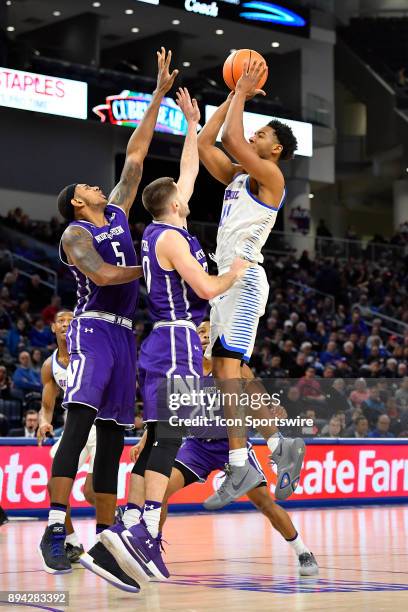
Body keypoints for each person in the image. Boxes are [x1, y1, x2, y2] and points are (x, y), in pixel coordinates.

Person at [87, 87, 250, 587]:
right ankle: (142, 526)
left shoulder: (162, 230)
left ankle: (132, 525)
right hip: (176, 341)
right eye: (182, 192)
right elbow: (204, 286)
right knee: (170, 435)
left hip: (166, 339)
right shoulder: (174, 237)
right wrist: (235, 273)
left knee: (157, 433)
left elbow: (189, 171)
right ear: (175, 205)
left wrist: (190, 123)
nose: (188, 190)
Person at [38, 48, 178, 589]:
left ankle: (104, 540)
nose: (98, 186)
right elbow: (100, 275)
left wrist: (159, 94)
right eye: (86, 187)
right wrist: (148, 265)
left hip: (126, 338)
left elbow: (137, 156)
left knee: (116, 442)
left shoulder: (118, 211)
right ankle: (54, 529)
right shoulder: (76, 234)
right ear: (77, 202)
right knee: (79, 427)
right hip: (94, 328)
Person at [130, 320, 318, 577]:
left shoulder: (234, 366)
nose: (205, 335)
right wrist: (144, 440)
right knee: (159, 490)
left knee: (265, 504)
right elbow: (166, 413)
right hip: (197, 446)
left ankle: (302, 551)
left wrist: (271, 409)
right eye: (200, 332)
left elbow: (257, 394)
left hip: (233, 445)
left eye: (209, 331)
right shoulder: (185, 370)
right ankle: (152, 551)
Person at [197, 59, 304, 507]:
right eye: (256, 132)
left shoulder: (272, 179)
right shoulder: (240, 177)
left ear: (275, 151)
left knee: (226, 371)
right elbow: (208, 140)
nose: (255, 137)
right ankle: (282, 442)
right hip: (225, 285)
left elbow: (231, 139)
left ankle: (241, 463)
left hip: (246, 281)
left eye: (263, 135)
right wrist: (230, 96)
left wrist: (241, 92)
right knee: (236, 371)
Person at [37, 310, 96, 564]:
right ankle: (71, 542)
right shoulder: (50, 365)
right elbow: (47, 405)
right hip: (74, 430)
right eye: (61, 321)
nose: (65, 324)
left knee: (91, 493)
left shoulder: (90, 354)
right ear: (53, 328)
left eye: (71, 320)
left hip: (100, 427)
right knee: (55, 486)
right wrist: (44, 422)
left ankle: (119, 525)